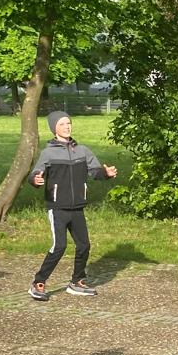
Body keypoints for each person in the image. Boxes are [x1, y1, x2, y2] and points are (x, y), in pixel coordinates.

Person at [28, 110, 118, 300]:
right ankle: (38, 282)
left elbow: (95, 172)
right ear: (54, 128)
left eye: (68, 123)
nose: (67, 127)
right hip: (57, 208)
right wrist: (35, 179)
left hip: (77, 207)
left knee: (84, 245)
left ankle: (77, 282)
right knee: (59, 246)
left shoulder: (82, 151)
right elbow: (36, 173)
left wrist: (106, 173)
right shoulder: (48, 153)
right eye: (62, 124)